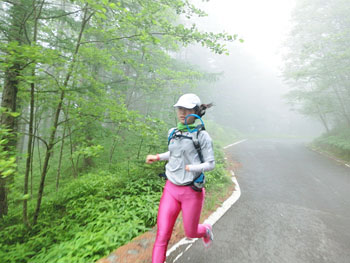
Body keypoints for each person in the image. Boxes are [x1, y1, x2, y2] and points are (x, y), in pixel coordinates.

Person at [146, 93, 215, 263]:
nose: (182, 112)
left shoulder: (202, 136)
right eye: (180, 109)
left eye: (187, 109)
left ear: (196, 112)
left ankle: (205, 230)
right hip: (171, 188)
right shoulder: (173, 132)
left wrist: (193, 167)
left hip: (192, 191)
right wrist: (158, 157)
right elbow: (175, 153)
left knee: (190, 232)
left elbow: (210, 164)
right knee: (162, 235)